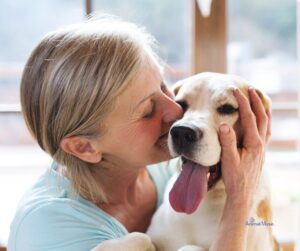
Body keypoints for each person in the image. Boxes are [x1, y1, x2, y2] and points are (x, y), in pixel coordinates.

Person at [8, 16, 270, 251]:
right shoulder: (48, 230)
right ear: (85, 148)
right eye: (147, 110)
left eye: (165, 88)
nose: (176, 112)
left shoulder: (166, 170)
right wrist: (239, 201)